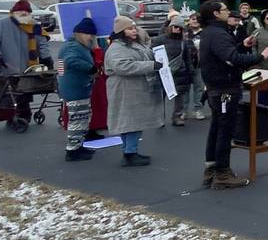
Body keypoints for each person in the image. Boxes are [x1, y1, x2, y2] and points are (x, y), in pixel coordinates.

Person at [198, 0, 268, 188]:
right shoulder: (218, 34)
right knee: (225, 130)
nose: (229, 12)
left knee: (217, 128)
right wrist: (261, 56)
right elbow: (232, 58)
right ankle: (222, 173)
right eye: (225, 10)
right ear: (216, 14)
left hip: (217, 88)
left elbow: (227, 54)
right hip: (224, 90)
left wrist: (242, 44)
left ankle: (212, 168)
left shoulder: (212, 32)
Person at [104, 16, 164, 166]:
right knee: (131, 122)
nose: (134, 31)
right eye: (130, 28)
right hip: (125, 88)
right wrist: (151, 65)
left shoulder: (131, 44)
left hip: (134, 88)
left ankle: (129, 151)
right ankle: (130, 152)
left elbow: (144, 55)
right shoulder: (117, 47)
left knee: (131, 121)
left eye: (134, 28)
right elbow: (123, 66)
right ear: (121, 31)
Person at [0, 0, 52, 128]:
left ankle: (23, 115)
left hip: (26, 68)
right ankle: (9, 117)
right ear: (13, 13)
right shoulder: (1, 24)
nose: (23, 14)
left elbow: (42, 42)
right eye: (20, 12)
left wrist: (46, 57)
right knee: (5, 94)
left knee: (24, 92)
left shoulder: (34, 26)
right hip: (3, 67)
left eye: (26, 12)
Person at [57, 17, 99, 161]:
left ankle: (78, 146)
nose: (91, 38)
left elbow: (60, 67)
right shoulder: (73, 47)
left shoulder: (70, 45)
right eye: (89, 35)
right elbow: (70, 61)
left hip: (74, 87)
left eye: (92, 35)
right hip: (75, 88)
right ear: (79, 33)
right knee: (78, 120)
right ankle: (72, 151)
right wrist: (90, 68)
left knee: (82, 118)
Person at [154, 17, 198, 126]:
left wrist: (190, 71)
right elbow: (152, 54)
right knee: (161, 97)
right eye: (176, 27)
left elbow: (187, 58)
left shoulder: (183, 42)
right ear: (170, 27)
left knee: (179, 97)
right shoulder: (159, 39)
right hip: (163, 72)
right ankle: (160, 119)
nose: (178, 29)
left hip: (180, 72)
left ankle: (177, 116)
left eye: (181, 28)